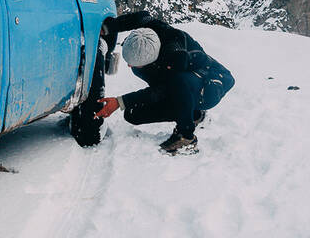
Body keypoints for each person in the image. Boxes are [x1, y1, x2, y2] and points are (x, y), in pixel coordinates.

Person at [94, 11, 234, 154]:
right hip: (179, 79)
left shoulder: (175, 60)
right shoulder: (152, 31)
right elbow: (140, 17)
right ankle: (194, 114)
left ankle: (187, 138)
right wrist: (106, 28)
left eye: (135, 63)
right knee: (132, 114)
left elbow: (162, 90)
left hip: (212, 84)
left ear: (153, 57)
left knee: (178, 83)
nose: (129, 66)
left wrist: (120, 101)